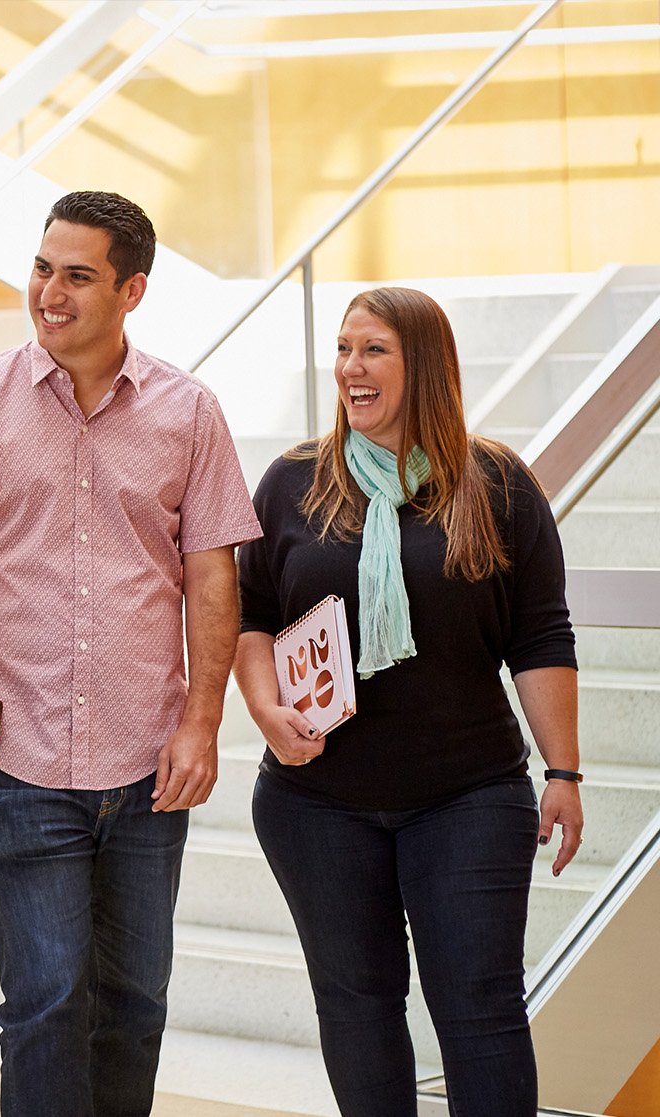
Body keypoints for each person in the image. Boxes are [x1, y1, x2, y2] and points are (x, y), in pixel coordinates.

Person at [0, 190, 262, 1115]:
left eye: (78, 275)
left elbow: (213, 580)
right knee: (44, 1004)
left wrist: (203, 720)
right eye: (42, 268)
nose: (51, 292)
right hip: (21, 760)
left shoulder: (189, 413)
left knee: (134, 1002)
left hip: (149, 765)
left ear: (132, 289)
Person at [233, 287, 582, 1115]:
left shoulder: (495, 482)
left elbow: (539, 635)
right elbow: (250, 614)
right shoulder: (292, 482)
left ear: (424, 362)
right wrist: (262, 708)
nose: (351, 368)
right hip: (316, 801)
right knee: (355, 1005)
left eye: (374, 350)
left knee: (479, 1008)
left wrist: (563, 768)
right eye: (344, 350)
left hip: (466, 796)